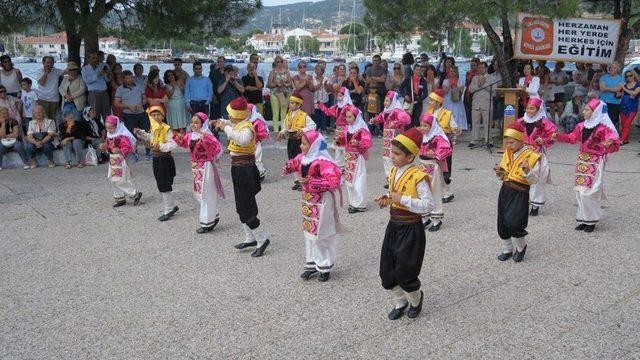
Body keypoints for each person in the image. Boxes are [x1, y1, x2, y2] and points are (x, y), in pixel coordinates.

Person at [375, 127, 434, 320]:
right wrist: (387, 199)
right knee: (388, 269)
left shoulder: (419, 177)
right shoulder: (393, 171)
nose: (392, 156)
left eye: (397, 154)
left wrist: (402, 199)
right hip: (394, 225)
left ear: (410, 157)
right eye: (392, 152)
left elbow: (428, 205)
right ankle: (400, 302)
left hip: (411, 229)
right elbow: (395, 194)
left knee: (405, 271)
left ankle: (416, 300)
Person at [211, 97, 271, 257]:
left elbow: (243, 140)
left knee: (247, 205)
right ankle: (250, 237)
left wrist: (225, 128)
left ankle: (261, 239)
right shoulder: (239, 123)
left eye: (230, 114)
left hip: (245, 168)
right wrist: (221, 122)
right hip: (238, 167)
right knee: (240, 204)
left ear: (237, 115)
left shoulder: (247, 127)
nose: (228, 117)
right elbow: (230, 124)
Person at [281, 130, 342, 281]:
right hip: (308, 200)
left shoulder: (323, 161)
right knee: (309, 232)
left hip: (322, 202)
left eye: (304, 143)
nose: (301, 146)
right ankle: (311, 263)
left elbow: (334, 181)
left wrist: (311, 182)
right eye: (301, 143)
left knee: (321, 233)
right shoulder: (304, 157)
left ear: (314, 145)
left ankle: (324, 265)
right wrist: (288, 167)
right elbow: (295, 162)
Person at [555, 99, 621, 233]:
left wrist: (609, 142)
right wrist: (559, 137)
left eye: (587, 110)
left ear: (595, 111)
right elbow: (572, 138)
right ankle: (583, 218)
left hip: (596, 160)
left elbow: (614, 140)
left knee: (590, 191)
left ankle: (591, 219)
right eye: (584, 109)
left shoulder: (604, 127)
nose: (583, 111)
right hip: (582, 159)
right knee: (580, 190)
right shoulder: (581, 125)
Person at [493, 122, 542, 263]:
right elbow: (504, 173)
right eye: (507, 143)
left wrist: (527, 171)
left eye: (512, 142)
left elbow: (534, 180)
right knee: (502, 222)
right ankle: (507, 248)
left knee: (514, 223)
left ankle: (521, 246)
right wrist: (499, 172)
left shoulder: (532, 156)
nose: (508, 146)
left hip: (520, 193)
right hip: (505, 190)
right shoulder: (508, 153)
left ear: (521, 140)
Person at [175, 112, 225, 233]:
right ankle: (213, 215)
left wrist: (205, 140)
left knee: (205, 193)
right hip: (196, 167)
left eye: (196, 122)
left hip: (206, 166)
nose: (193, 124)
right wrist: (178, 137)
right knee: (200, 193)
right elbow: (183, 143)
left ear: (203, 124)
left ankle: (207, 223)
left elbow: (218, 149)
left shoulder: (208, 136)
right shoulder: (191, 135)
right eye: (192, 122)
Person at [135, 106, 179, 222]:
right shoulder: (153, 128)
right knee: (161, 184)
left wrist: (161, 146)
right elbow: (151, 138)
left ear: (163, 116)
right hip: (157, 159)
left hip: (164, 159)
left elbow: (174, 144)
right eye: (153, 115)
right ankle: (171, 205)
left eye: (158, 114)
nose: (156, 117)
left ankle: (169, 209)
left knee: (164, 185)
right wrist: (142, 134)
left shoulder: (166, 129)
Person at [516, 97, 557, 216]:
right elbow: (512, 134)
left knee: (536, 179)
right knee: (521, 178)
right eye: (528, 108)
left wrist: (544, 139)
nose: (529, 110)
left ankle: (535, 204)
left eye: (532, 108)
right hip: (522, 153)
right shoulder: (520, 121)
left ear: (538, 110)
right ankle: (522, 203)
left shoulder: (544, 122)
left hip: (536, 154)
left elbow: (554, 134)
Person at [417, 113, 452, 232]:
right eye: (421, 125)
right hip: (422, 166)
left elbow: (447, 149)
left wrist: (436, 154)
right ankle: (424, 217)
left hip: (433, 167)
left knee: (434, 192)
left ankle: (436, 219)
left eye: (425, 126)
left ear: (432, 126)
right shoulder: (423, 136)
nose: (422, 128)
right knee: (422, 191)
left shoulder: (437, 137)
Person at [99, 115, 143, 207]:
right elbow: (108, 144)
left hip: (119, 158)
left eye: (111, 128)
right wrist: (104, 146)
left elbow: (127, 147)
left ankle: (134, 194)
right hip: (113, 158)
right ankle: (120, 197)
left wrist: (120, 150)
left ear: (117, 126)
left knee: (117, 179)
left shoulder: (122, 135)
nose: (108, 130)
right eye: (107, 128)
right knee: (113, 179)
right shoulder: (110, 134)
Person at [425, 89, 460, 203]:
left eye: (432, 100)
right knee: (432, 167)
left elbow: (454, 126)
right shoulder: (428, 112)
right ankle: (435, 190)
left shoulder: (447, 113)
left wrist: (455, 129)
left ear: (439, 102)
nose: (429, 102)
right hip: (431, 143)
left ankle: (447, 192)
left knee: (444, 168)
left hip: (443, 143)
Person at [371, 90, 411, 186]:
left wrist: (396, 122)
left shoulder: (397, 111)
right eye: (385, 101)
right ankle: (390, 178)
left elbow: (407, 119)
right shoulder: (386, 111)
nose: (385, 103)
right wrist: (374, 120)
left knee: (396, 158)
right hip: (387, 140)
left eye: (388, 101)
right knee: (386, 158)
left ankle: (397, 178)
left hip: (396, 139)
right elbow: (379, 118)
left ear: (393, 101)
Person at [278, 93, 317, 190]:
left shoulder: (304, 115)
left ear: (298, 105)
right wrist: (282, 132)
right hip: (291, 141)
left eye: (292, 103)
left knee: (301, 160)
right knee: (292, 160)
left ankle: (304, 181)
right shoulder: (288, 115)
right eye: (290, 103)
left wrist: (303, 131)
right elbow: (285, 127)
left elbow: (313, 125)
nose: (290, 105)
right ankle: (297, 181)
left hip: (300, 141)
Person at [338, 105, 371, 213]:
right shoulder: (348, 128)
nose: (347, 119)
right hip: (348, 157)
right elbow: (344, 139)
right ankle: (353, 202)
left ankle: (360, 204)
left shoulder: (361, 128)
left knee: (359, 180)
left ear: (356, 117)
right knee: (349, 180)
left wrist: (358, 143)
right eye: (346, 117)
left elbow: (368, 142)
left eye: (350, 117)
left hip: (358, 157)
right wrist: (339, 139)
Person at [115, 70, 149, 160]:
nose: (130, 79)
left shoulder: (139, 86)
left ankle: (148, 153)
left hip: (141, 113)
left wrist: (140, 104)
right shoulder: (120, 89)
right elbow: (116, 103)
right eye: (127, 78)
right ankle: (134, 154)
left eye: (131, 77)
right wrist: (128, 106)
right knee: (131, 135)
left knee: (145, 133)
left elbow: (145, 99)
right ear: (123, 79)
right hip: (129, 115)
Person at [318, 87, 353, 167]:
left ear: (345, 96)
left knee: (345, 148)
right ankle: (339, 165)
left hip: (346, 131)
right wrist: (321, 105)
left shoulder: (349, 107)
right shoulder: (337, 107)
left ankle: (347, 165)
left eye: (341, 96)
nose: (338, 97)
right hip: (338, 130)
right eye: (338, 95)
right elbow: (328, 112)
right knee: (337, 149)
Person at [468, 62, 494, 147]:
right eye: (479, 68)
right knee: (475, 123)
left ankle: (488, 141)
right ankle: (474, 140)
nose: (481, 69)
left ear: (486, 68)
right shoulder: (475, 78)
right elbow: (470, 90)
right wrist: (478, 85)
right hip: (476, 103)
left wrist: (484, 84)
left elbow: (494, 91)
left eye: (483, 67)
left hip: (487, 103)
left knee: (487, 123)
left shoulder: (491, 78)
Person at [82, 52, 111, 122]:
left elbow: (106, 80)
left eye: (96, 58)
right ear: (88, 59)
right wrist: (98, 75)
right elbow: (87, 80)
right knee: (95, 114)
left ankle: (108, 131)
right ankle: (97, 131)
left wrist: (108, 73)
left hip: (104, 93)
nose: (95, 60)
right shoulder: (85, 69)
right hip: (93, 94)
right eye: (93, 58)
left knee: (107, 114)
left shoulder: (101, 66)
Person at [268, 55, 293, 133]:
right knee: (275, 114)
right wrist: (277, 84)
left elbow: (290, 83)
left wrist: (285, 84)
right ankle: (276, 132)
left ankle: (282, 132)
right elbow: (269, 84)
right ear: (275, 63)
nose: (280, 63)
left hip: (285, 94)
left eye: (281, 61)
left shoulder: (287, 71)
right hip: (275, 93)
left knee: (283, 114)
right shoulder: (272, 72)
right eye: (278, 61)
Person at [0, 106, 29, 170]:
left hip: (15, 141)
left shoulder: (13, 121)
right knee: (0, 147)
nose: (6, 114)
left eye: (7, 113)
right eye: (3, 113)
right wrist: (3, 123)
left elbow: (16, 134)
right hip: (3, 143)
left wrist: (5, 136)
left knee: (19, 146)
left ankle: (26, 163)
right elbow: (2, 135)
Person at [36, 56, 64, 120]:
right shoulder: (39, 71)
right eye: (47, 62)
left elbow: (67, 71)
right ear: (43, 63)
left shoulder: (56, 71)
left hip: (54, 99)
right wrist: (46, 73)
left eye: (51, 62)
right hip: (43, 99)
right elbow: (42, 83)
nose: (49, 64)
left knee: (52, 119)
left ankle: (52, 130)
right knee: (44, 118)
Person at [248, 103, 270, 181]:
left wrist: (255, 134)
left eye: (248, 111)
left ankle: (261, 173)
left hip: (255, 143)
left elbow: (263, 132)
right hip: (246, 144)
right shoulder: (244, 121)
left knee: (257, 159)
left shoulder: (257, 121)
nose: (247, 113)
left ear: (252, 111)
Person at [442, 66, 468, 131]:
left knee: (456, 114)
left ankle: (457, 130)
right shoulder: (446, 81)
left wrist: (455, 85)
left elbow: (461, 92)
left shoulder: (460, 80)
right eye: (451, 71)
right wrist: (450, 85)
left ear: (456, 72)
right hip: (448, 101)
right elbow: (444, 92)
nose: (452, 73)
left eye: (454, 71)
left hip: (457, 102)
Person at [619, 70, 640, 144]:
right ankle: (626, 139)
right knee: (623, 124)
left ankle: (621, 140)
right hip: (623, 106)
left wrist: (624, 89)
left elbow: (634, 93)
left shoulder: (638, 85)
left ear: (634, 75)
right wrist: (619, 94)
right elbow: (620, 94)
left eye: (630, 75)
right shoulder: (624, 85)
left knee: (627, 124)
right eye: (627, 76)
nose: (628, 77)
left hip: (632, 107)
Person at [312, 64, 329, 131]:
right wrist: (317, 86)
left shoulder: (326, 78)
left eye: (319, 69)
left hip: (324, 101)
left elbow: (328, 90)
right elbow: (312, 89)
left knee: (324, 117)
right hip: (315, 101)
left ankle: (323, 131)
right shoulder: (312, 79)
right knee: (316, 116)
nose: (317, 71)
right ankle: (316, 131)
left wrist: (326, 86)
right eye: (316, 69)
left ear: (322, 71)